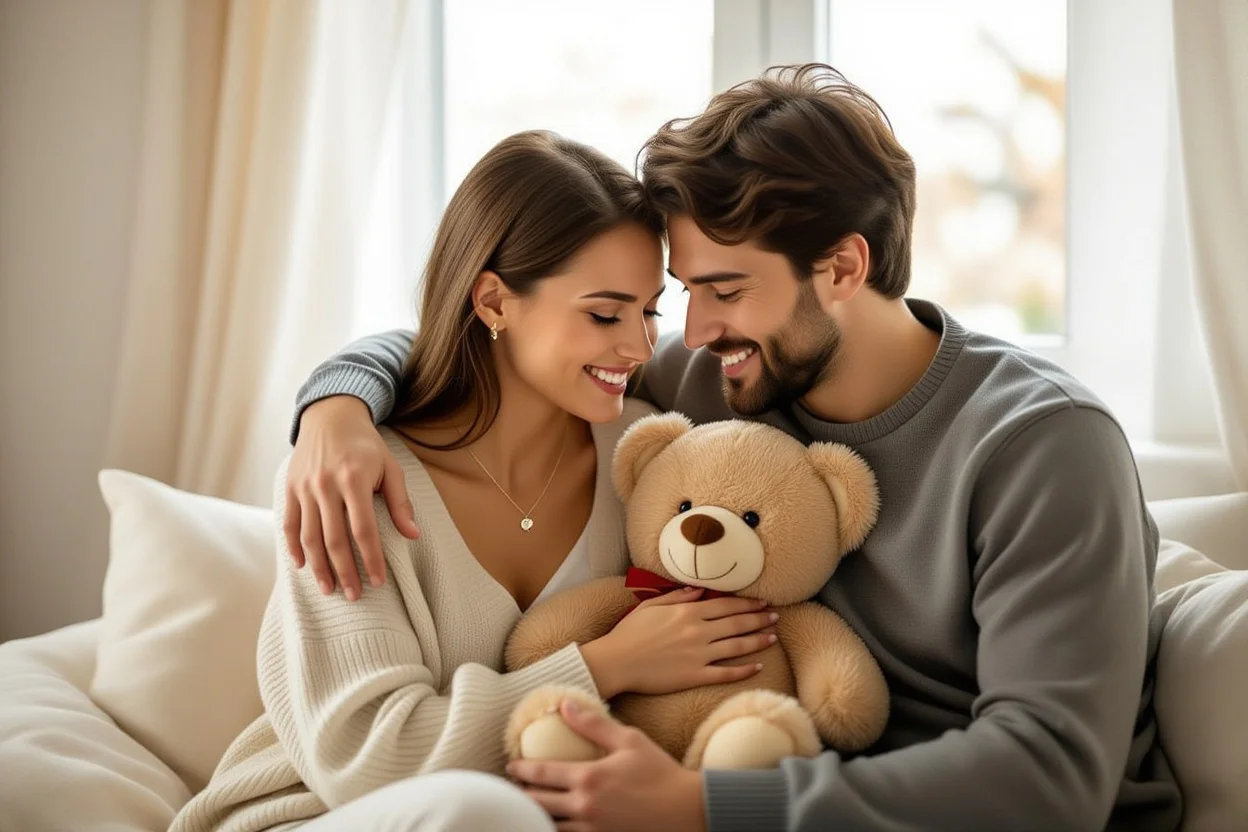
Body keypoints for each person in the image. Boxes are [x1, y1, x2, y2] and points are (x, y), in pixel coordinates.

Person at [286, 65, 1183, 831]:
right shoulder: (717, 383)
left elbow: (1050, 780)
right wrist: (336, 404)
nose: (688, 332)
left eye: (724, 290)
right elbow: (496, 346)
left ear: (841, 268)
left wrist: (708, 805)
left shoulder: (1043, 447)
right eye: (680, 293)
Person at [168, 130, 776, 832]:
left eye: (648, 313)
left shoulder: (646, 454)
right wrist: (608, 665)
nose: (638, 347)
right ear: (493, 301)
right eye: (605, 314)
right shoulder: (349, 477)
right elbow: (369, 757)